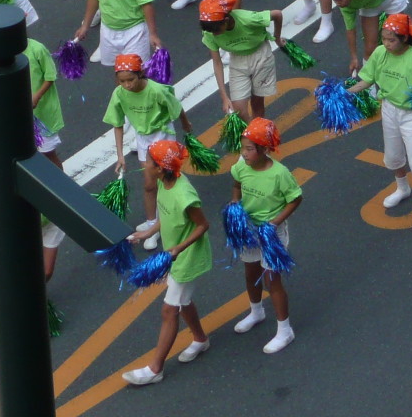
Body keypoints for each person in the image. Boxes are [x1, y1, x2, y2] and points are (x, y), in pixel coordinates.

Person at [121, 139, 212, 386]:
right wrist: (148, 232)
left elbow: (203, 225)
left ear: (160, 168)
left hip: (187, 258)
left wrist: (178, 249)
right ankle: (200, 339)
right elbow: (167, 214)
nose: (145, 164)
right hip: (175, 256)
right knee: (184, 301)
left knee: (169, 310)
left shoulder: (184, 195)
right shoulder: (164, 182)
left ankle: (155, 369)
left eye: (149, 161)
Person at [348, 13, 412, 233]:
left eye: (391, 40)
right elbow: (367, 79)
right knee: (393, 156)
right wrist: (346, 93)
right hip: (388, 109)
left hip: (411, 115)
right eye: (384, 39)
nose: (386, 44)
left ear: (404, 39)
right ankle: (402, 188)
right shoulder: (380, 53)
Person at [228, 117, 300, 352]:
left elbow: (295, 198)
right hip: (249, 229)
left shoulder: (280, 174)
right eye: (242, 148)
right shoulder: (242, 167)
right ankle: (256, 311)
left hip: (272, 232)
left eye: (249, 149)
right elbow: (236, 185)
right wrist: (235, 203)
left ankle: (285, 330)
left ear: (264, 149)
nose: (244, 153)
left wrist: (274, 222)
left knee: (272, 279)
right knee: (251, 271)